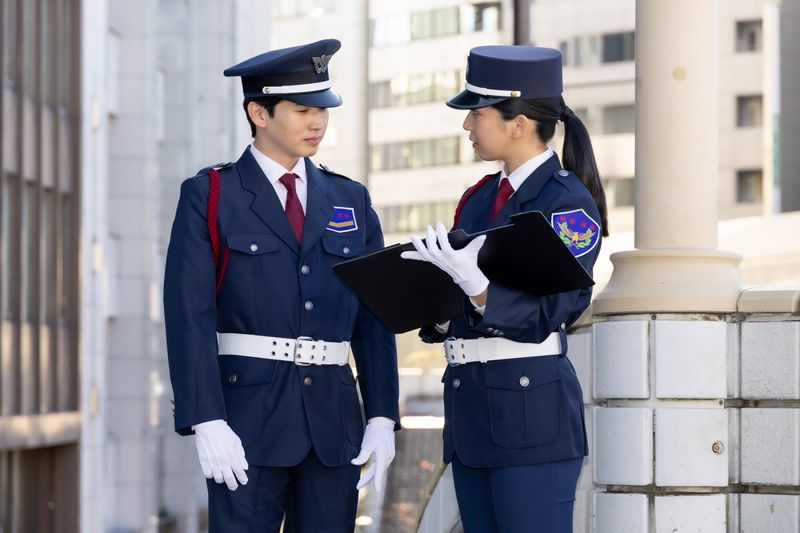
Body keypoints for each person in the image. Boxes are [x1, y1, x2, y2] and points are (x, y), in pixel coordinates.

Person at [163, 39, 400, 533]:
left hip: (334, 425)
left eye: (324, 110)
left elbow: (374, 317)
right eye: (303, 109)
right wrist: (206, 418)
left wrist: (381, 415)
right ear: (259, 112)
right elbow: (189, 316)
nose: (318, 122)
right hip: (246, 423)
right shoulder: (211, 195)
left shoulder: (351, 199)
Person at [401, 45, 608, 533]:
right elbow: (463, 305)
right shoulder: (477, 200)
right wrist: (434, 304)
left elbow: (553, 311)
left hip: (530, 415)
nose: (467, 126)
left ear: (518, 123)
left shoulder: (566, 203)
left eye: (477, 113)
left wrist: (477, 290)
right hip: (472, 411)